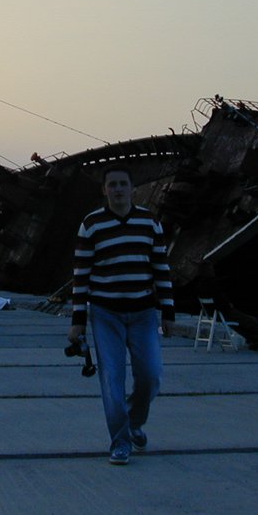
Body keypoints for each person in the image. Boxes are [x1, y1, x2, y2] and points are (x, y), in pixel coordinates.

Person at [68, 164, 174, 466]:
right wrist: (78, 322)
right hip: (105, 314)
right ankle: (120, 441)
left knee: (151, 377)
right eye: (112, 184)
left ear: (132, 188)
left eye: (122, 184)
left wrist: (168, 311)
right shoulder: (91, 225)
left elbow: (161, 269)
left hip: (143, 313)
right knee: (112, 380)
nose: (117, 189)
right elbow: (81, 276)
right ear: (105, 190)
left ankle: (133, 421)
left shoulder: (149, 222)